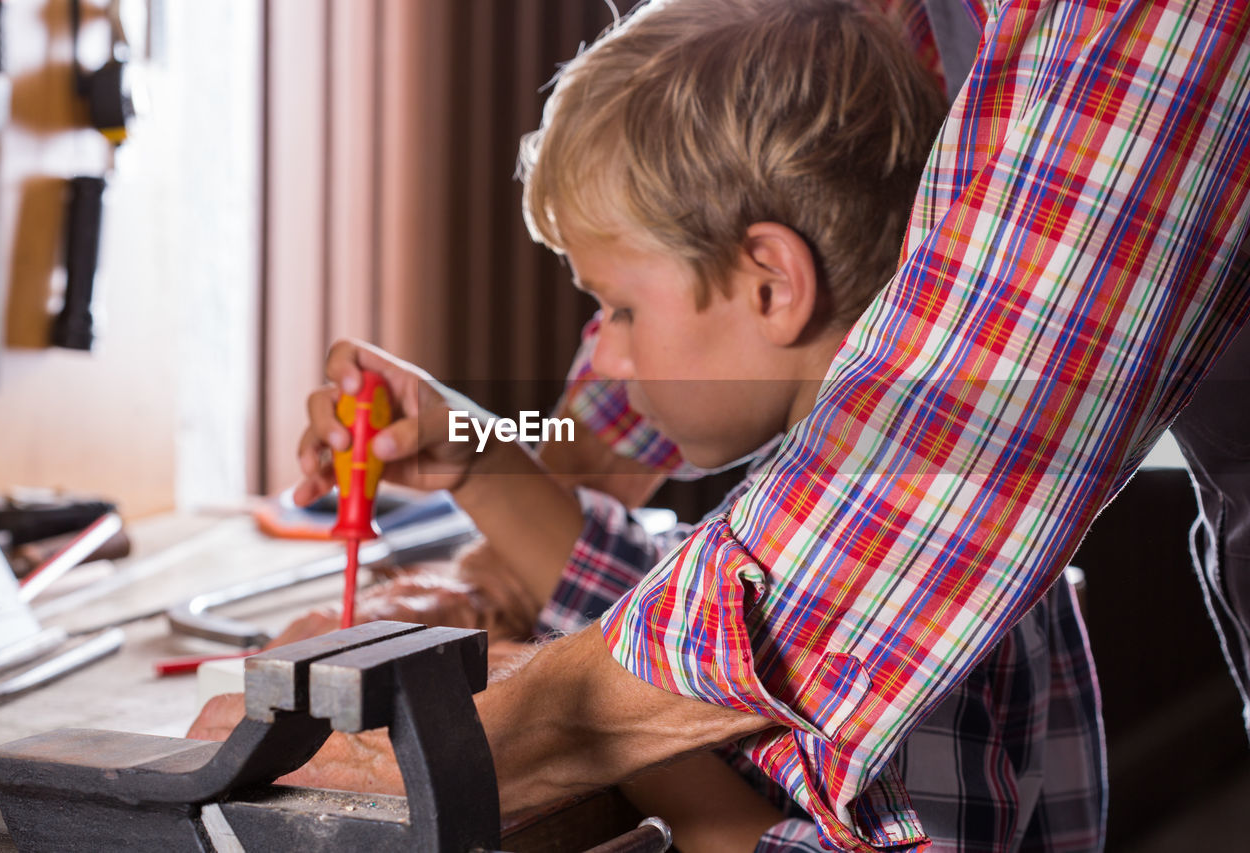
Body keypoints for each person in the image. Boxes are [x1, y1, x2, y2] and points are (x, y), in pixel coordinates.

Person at [192, 0, 1250, 847]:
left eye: (615, 307)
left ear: (767, 283)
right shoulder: (840, 514)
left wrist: (592, 724)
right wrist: (473, 450)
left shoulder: (915, 605)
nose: (599, 354)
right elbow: (659, 594)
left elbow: (730, 727)